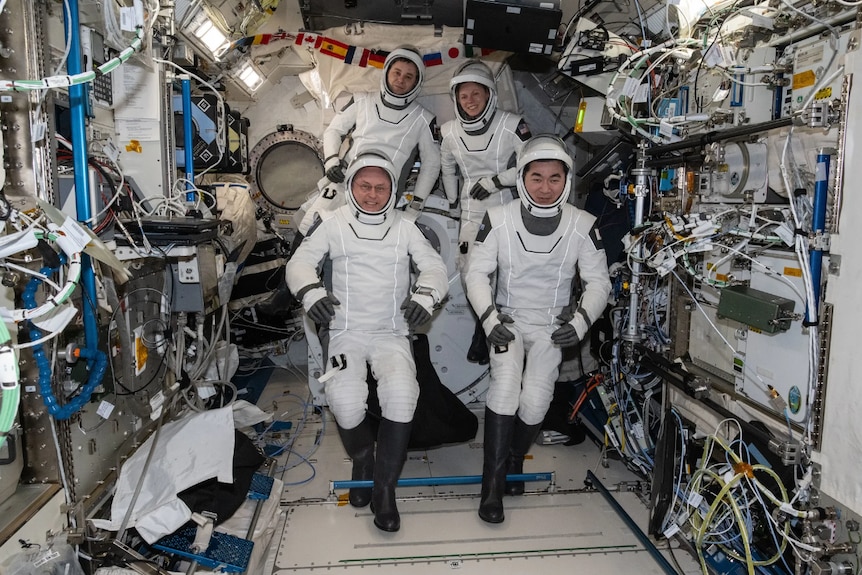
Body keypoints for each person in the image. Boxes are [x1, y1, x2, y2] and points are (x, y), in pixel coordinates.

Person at [285, 151, 448, 533]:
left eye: (380, 187)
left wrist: (425, 297)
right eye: (364, 186)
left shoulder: (407, 227)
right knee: (343, 401)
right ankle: (363, 456)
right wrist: (311, 293)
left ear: (392, 190)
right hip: (346, 330)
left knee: (403, 394)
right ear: (352, 186)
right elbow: (299, 262)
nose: (372, 195)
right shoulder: (332, 223)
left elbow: (434, 266)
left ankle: (385, 490)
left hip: (391, 331)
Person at [464, 135, 611, 524]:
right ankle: (491, 485)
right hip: (508, 322)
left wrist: (580, 322)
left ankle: (513, 460)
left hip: (552, 326)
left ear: (567, 180)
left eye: (554, 179)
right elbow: (476, 273)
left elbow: (599, 283)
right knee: (506, 388)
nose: (545, 188)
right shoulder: (498, 218)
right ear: (522, 179)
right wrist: (490, 318)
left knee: (535, 403)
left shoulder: (583, 224)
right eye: (536, 178)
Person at [439, 59, 532, 364]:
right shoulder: (450, 131)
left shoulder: (511, 124)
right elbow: (447, 164)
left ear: (489, 94)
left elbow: (531, 163)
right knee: (469, 269)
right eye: (464, 96)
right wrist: (453, 197)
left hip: (505, 206)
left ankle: (501, 333)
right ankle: (485, 324)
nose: (470, 102)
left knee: (506, 271)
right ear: (456, 100)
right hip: (471, 211)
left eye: (476, 94)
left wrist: (496, 181)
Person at [298, 46, 441, 234]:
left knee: (361, 246)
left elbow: (432, 164)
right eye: (397, 72)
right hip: (344, 182)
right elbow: (333, 130)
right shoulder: (361, 100)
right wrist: (332, 162)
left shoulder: (423, 119)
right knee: (309, 226)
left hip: (382, 195)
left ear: (416, 82)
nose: (401, 80)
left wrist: (417, 204)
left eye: (408, 77)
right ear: (387, 71)